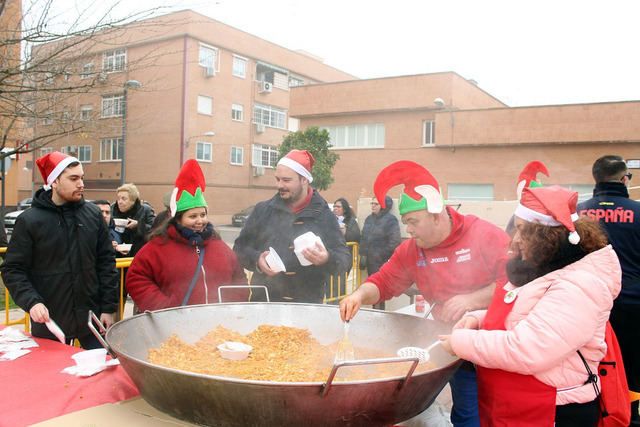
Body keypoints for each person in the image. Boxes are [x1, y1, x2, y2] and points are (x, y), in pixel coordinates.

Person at [339, 160, 510, 427]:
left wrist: (471, 300)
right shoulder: (412, 249)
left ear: (436, 214)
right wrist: (359, 296)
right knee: (465, 412)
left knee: (493, 410)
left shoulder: (483, 234)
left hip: (492, 341)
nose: (408, 229)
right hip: (447, 342)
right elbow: (384, 281)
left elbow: (515, 282)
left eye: (413, 222)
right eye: (405, 222)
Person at [440, 185, 621, 426]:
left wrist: (459, 342)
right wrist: (480, 319)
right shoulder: (549, 266)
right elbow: (533, 315)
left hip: (554, 410)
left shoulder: (579, 285)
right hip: (519, 404)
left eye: (523, 231)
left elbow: (529, 349)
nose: (515, 240)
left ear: (547, 235)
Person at [1, 151, 118, 348]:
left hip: (93, 320)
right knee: (53, 377)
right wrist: (32, 302)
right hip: (50, 321)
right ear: (54, 182)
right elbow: (13, 269)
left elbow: (106, 263)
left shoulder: (92, 215)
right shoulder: (30, 221)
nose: (81, 183)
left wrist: (108, 308)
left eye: (81, 177)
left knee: (100, 375)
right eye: (73, 178)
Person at [126, 160, 248, 311]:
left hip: (218, 326)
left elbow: (239, 278)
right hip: (174, 327)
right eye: (193, 216)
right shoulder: (158, 246)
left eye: (203, 214)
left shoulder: (219, 246)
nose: (200, 221)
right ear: (178, 218)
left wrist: (230, 307)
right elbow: (136, 278)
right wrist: (164, 308)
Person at [233, 149, 351, 303]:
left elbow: (344, 259)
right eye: (277, 179)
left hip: (305, 306)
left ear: (304, 180)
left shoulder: (323, 215)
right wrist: (257, 260)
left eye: (286, 180)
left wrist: (326, 258)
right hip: (265, 303)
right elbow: (239, 249)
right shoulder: (263, 210)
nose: (280, 185)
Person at [577, 155, 640, 425]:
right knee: (631, 368)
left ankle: (593, 414)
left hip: (584, 308)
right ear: (624, 179)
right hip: (631, 308)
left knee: (587, 367)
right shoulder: (638, 213)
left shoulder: (576, 213)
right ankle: (629, 417)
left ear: (595, 178)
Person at [359, 195, 401, 309]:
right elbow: (363, 237)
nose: (372, 206)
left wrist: (380, 255)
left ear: (383, 206)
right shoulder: (369, 219)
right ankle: (375, 311)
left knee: (380, 289)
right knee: (372, 287)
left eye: (375, 204)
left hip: (381, 261)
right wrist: (362, 254)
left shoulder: (390, 220)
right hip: (370, 260)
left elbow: (395, 241)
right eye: (371, 203)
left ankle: (379, 312)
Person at [111, 183, 155, 258]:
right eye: (118, 198)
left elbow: (155, 230)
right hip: (117, 258)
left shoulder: (145, 210)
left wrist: (138, 225)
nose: (120, 202)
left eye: (123, 198)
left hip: (139, 256)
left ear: (133, 200)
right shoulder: (112, 210)